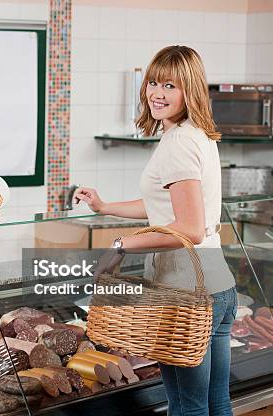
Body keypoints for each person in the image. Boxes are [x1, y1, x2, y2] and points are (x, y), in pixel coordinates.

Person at [74, 46, 237, 416]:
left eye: (170, 86)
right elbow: (166, 208)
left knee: (187, 408)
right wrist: (105, 207)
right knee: (216, 402)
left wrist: (120, 245)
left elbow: (189, 228)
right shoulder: (196, 134)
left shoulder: (178, 144)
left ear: (190, 90)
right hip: (218, 288)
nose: (157, 93)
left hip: (185, 297)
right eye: (152, 82)